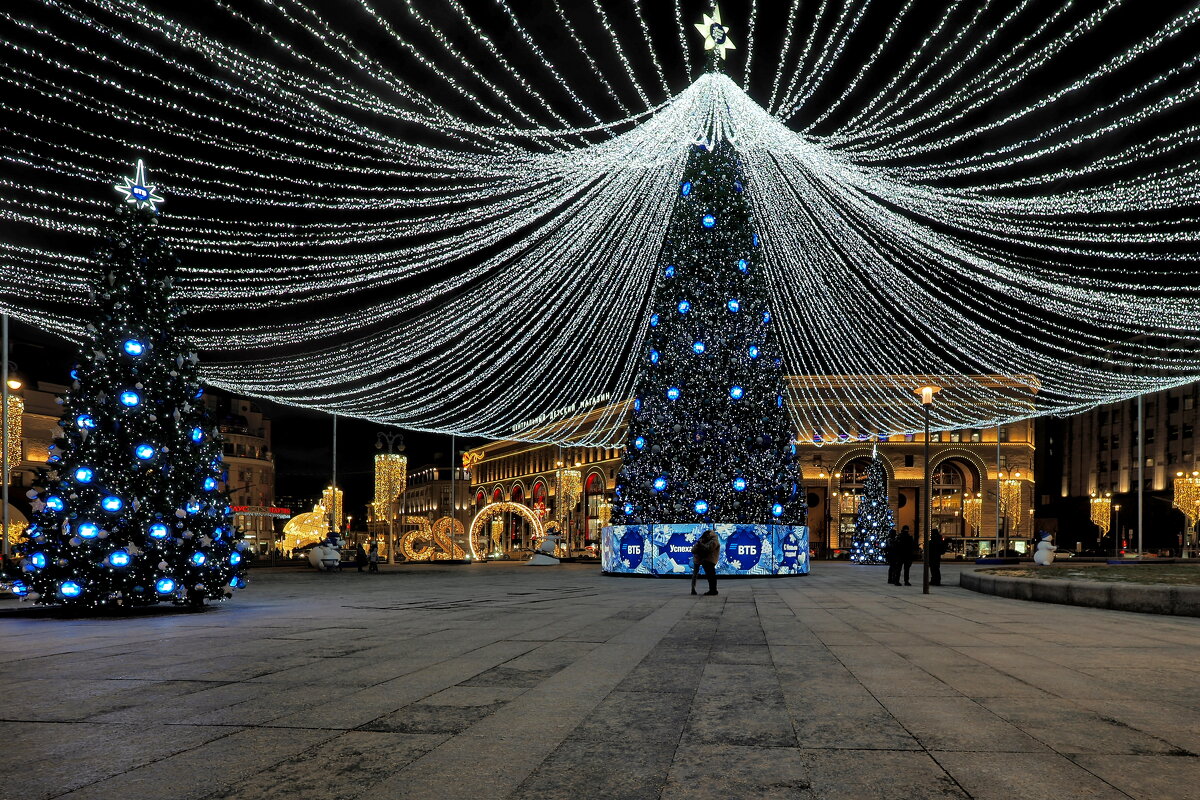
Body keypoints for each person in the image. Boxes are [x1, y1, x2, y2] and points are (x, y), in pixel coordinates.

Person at [690, 529, 720, 596]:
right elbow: (693, 550)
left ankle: (713, 590)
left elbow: (708, 548)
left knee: (711, 576)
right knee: (706, 575)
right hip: (700, 559)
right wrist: (698, 545)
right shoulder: (704, 540)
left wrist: (701, 545)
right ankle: (693, 589)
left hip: (709, 560)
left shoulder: (713, 541)